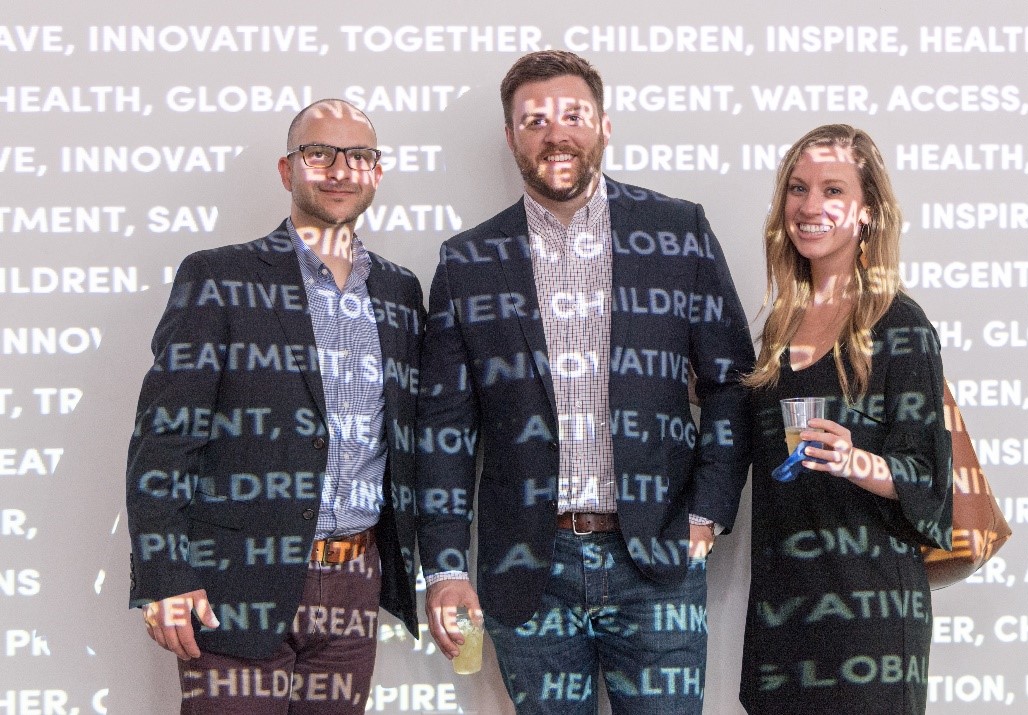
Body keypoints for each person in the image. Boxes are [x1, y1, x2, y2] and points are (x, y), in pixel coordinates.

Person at [415, 50, 754, 713]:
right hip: (527, 570)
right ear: (512, 136)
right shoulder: (467, 263)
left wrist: (705, 514)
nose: (555, 132)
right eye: (534, 119)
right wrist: (447, 567)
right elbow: (444, 432)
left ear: (604, 126)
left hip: (654, 558)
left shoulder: (677, 233)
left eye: (574, 114)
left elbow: (731, 381)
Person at [125, 98, 422, 713]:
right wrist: (165, 577)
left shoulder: (399, 290)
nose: (340, 170)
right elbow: (164, 441)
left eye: (358, 156)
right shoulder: (220, 278)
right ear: (289, 171)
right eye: (320, 153)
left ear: (376, 172)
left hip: (354, 584)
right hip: (238, 582)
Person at [740, 124, 953, 714]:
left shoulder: (899, 324)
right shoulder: (778, 328)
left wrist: (856, 460)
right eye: (798, 188)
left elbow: (932, 484)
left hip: (870, 620)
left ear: (868, 211)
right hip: (783, 615)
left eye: (833, 190)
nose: (810, 206)